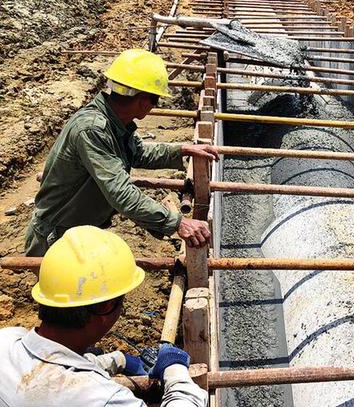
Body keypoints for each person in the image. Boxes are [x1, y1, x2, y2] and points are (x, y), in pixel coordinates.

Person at [25, 49, 218, 256]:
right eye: (156, 101)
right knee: (69, 288)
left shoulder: (116, 122)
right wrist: (178, 223)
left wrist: (182, 150)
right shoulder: (93, 129)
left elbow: (139, 153)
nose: (153, 107)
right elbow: (121, 193)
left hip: (80, 233)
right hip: (56, 240)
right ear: (144, 101)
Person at [0, 225, 208, 406]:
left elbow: (46, 371)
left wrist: (116, 360)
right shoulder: (102, 398)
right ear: (106, 307)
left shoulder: (6, 339)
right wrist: (175, 370)